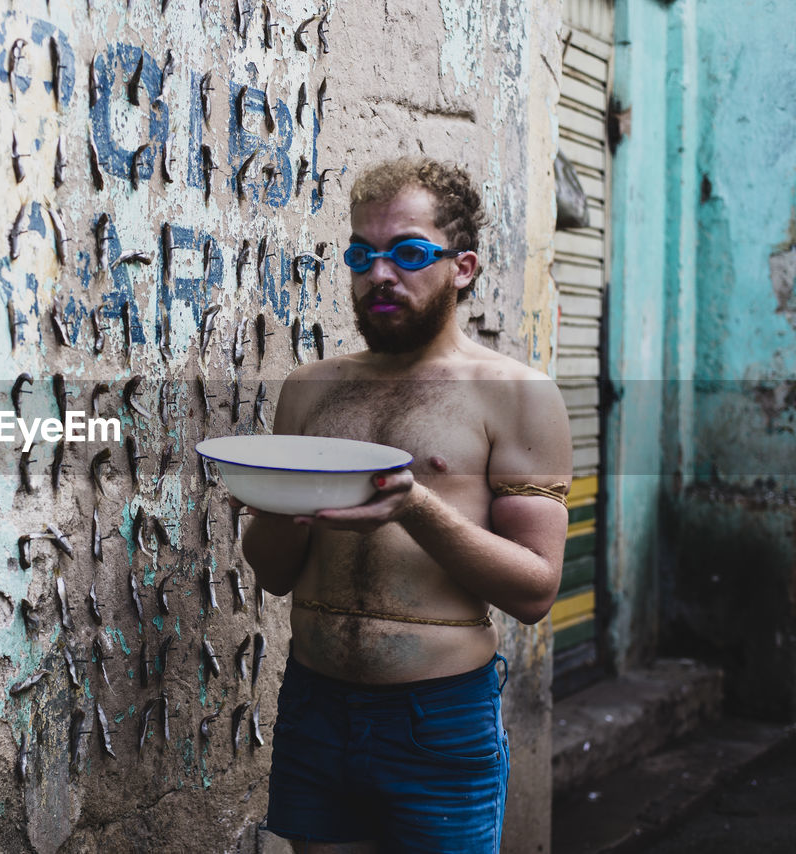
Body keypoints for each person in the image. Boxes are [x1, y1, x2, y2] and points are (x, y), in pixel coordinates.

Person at [242, 156, 573, 853]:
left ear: (463, 267)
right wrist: (270, 504)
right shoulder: (310, 389)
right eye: (362, 255)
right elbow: (274, 573)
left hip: (438, 716)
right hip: (315, 702)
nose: (380, 274)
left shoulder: (516, 394)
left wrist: (414, 507)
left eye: (409, 253)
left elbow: (537, 590)